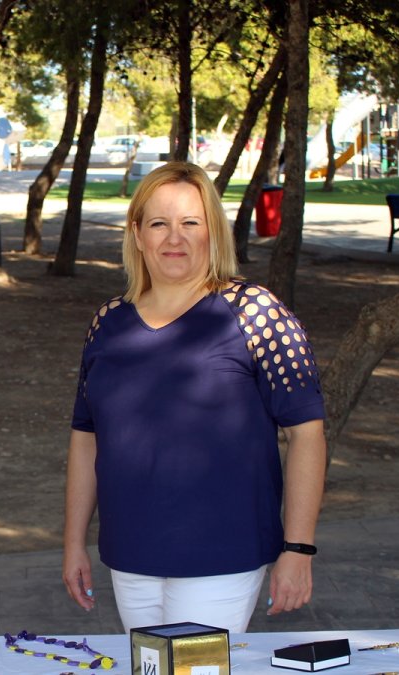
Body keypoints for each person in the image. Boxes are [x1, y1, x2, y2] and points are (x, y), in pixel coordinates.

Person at [62, 161, 326, 633]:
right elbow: (87, 439)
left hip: (222, 552)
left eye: (190, 223)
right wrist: (73, 542)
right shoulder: (107, 322)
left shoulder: (256, 313)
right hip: (131, 554)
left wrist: (298, 548)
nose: (174, 238)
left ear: (213, 233)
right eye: (159, 224)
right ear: (137, 234)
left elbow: (307, 434)